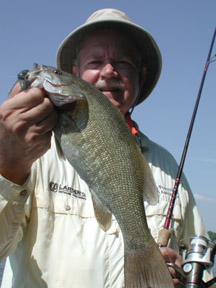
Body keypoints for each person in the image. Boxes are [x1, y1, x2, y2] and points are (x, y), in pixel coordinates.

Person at [0, 8, 212, 288]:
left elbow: (201, 269)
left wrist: (178, 278)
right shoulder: (32, 150)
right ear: (75, 74)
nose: (109, 71)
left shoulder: (169, 168)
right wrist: (8, 165)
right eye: (95, 61)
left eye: (122, 62)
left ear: (141, 74)